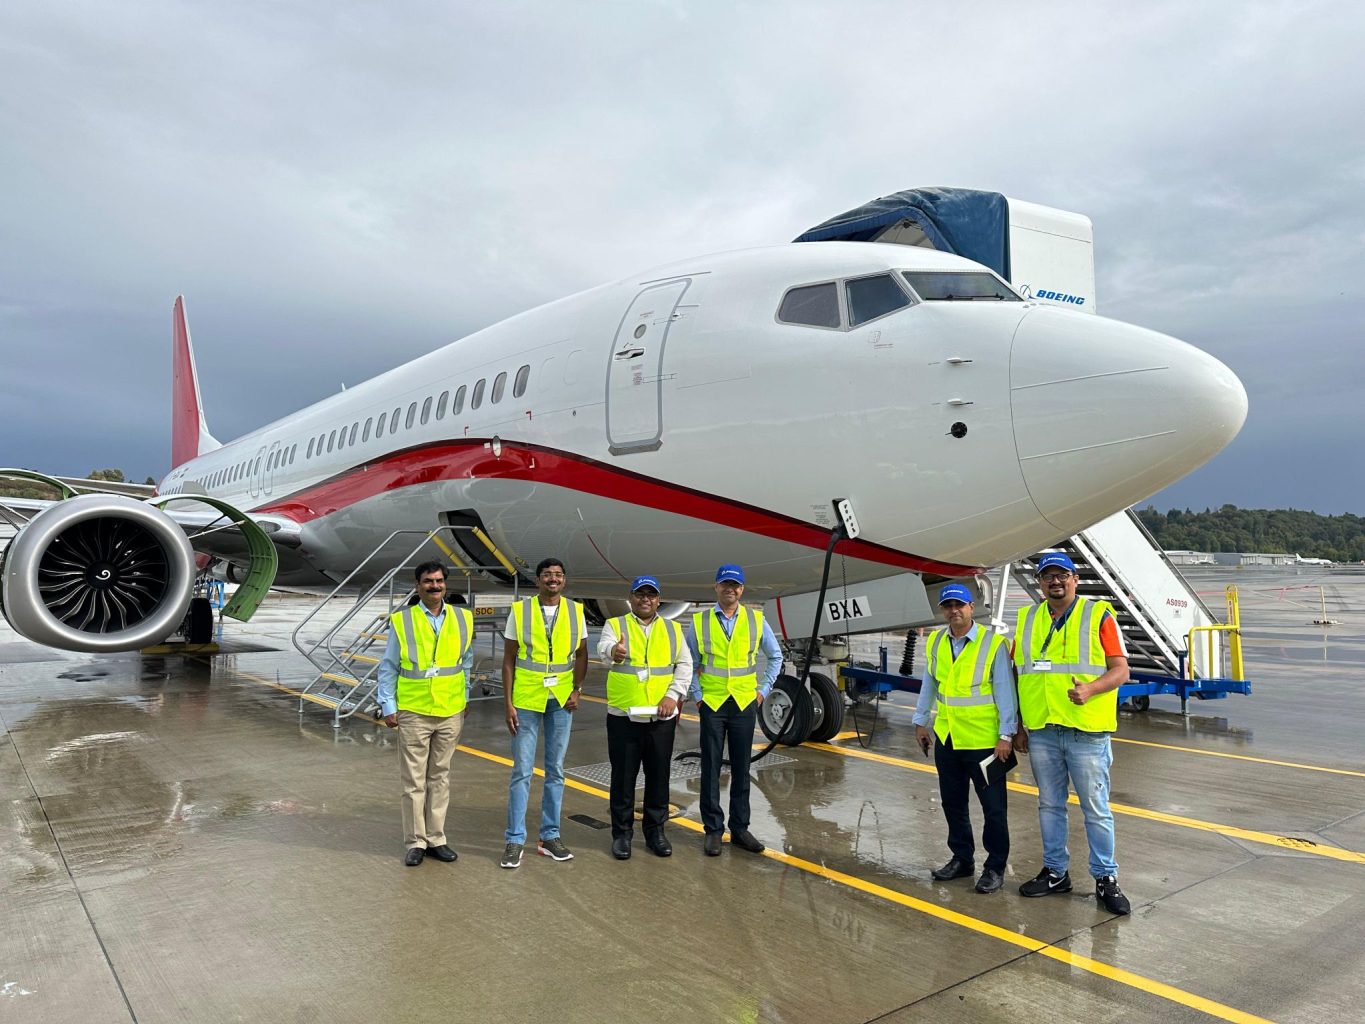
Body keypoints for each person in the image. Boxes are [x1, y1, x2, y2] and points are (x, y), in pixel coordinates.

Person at [1013, 552, 1132, 915]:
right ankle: (1055, 873)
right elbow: (1020, 672)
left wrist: (1091, 690)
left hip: (1086, 732)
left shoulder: (1098, 615)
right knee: (1050, 806)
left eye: (1062, 575)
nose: (1055, 582)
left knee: (1096, 809)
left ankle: (1105, 878)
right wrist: (1018, 725)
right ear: (1040, 583)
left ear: (1075, 580)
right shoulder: (1027, 618)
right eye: (1047, 576)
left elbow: (1121, 670)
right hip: (1044, 731)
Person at [913, 583, 1018, 894]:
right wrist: (921, 722)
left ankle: (995, 866)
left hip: (986, 741)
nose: (954, 611)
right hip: (948, 738)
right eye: (948, 606)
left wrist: (1006, 735)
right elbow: (929, 684)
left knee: (994, 809)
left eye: (960, 605)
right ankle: (962, 858)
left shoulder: (992, 644)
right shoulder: (935, 642)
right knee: (953, 804)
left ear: (972, 607)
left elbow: (1005, 692)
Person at [377, 561, 475, 867]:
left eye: (439, 580)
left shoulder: (463, 617)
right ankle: (416, 841)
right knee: (414, 781)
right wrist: (388, 705)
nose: (435, 586)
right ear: (418, 586)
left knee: (440, 777)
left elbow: (466, 661)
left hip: (450, 709)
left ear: (446, 583)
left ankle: (437, 838)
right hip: (414, 710)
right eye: (428, 581)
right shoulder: (402, 620)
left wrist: (465, 697)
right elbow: (389, 666)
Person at [687, 564, 783, 857]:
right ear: (716, 587)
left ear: (742, 589)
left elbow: (775, 656)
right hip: (713, 704)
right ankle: (713, 830)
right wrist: (698, 695)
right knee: (711, 768)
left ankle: (740, 829)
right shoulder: (700, 621)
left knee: (742, 769)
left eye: (736, 585)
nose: (731, 589)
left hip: (744, 704)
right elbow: (688, 660)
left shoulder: (756, 619)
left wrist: (762, 691)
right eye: (726, 584)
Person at [596, 575, 693, 860]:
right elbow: (603, 651)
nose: (645, 599)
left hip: (661, 718)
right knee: (623, 779)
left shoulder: (673, 629)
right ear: (631, 597)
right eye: (640, 594)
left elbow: (685, 665)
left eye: (651, 595)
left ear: (658, 600)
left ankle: (656, 833)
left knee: (659, 778)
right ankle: (622, 835)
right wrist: (615, 652)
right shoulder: (615, 625)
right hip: (624, 715)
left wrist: (672, 696)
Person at [500, 557, 588, 869]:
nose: (553, 579)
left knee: (556, 771)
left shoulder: (576, 611)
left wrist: (577, 688)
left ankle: (549, 836)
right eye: (547, 575)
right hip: (526, 699)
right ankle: (514, 839)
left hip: (561, 700)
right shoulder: (520, 611)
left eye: (558, 575)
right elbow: (509, 659)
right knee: (522, 771)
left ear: (564, 580)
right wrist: (508, 702)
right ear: (538, 580)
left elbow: (581, 655)